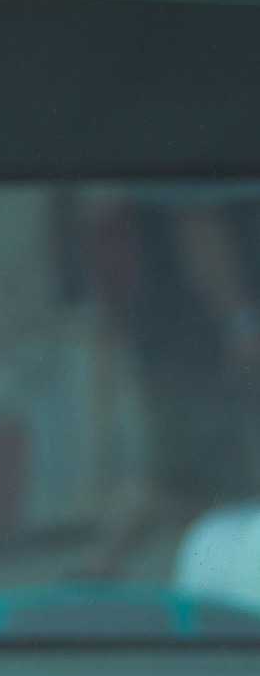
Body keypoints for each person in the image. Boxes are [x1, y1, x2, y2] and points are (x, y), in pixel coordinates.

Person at [82, 188, 260, 576]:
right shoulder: (196, 181)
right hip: (199, 342)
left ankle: (101, 566)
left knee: (185, 478)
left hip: (180, 338)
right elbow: (199, 226)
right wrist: (240, 323)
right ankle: (101, 567)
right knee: (197, 480)